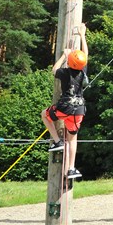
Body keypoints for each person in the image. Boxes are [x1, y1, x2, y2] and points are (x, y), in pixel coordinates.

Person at [42, 24, 88, 180]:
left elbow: (54, 69)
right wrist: (82, 35)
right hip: (79, 111)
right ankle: (71, 168)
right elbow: (85, 55)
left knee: (45, 115)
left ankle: (56, 141)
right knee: (72, 138)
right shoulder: (82, 72)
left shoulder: (64, 72)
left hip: (64, 107)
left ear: (69, 62)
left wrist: (63, 55)